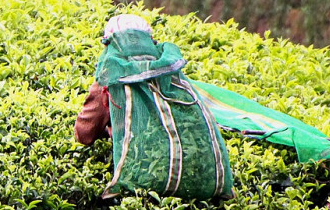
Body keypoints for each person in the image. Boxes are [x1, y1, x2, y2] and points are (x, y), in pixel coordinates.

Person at [76, 13, 233, 200]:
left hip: (148, 182)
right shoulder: (170, 71)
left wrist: (111, 130)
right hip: (198, 171)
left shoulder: (111, 78)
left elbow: (84, 134)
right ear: (150, 40)